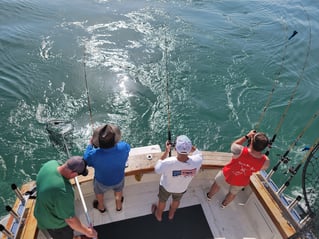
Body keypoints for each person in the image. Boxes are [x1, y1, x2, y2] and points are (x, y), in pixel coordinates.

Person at [34, 156, 98, 239]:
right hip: (54, 224)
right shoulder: (63, 192)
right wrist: (88, 232)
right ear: (74, 173)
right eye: (78, 174)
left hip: (40, 211)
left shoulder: (50, 164)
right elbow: (70, 220)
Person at [206, 130, 270, 208]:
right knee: (233, 193)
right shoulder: (265, 162)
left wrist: (247, 136)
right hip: (242, 180)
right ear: (264, 147)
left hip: (228, 173)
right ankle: (224, 205)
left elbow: (234, 144)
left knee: (217, 184)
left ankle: (209, 196)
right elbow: (263, 164)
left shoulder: (240, 150)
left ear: (252, 140)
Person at [152, 135, 203, 222]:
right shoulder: (198, 160)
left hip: (166, 187)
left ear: (175, 149)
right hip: (181, 189)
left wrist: (166, 152)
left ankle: (159, 215)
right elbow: (198, 153)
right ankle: (171, 214)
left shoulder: (167, 162)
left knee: (162, 201)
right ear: (190, 149)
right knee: (176, 200)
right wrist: (189, 146)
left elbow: (157, 169)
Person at [83, 124, 130, 213]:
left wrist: (90, 145)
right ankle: (118, 206)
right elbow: (126, 149)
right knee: (118, 191)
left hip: (101, 182)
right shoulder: (124, 147)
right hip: (118, 179)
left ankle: (101, 207)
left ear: (97, 142)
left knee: (99, 192)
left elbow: (86, 159)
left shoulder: (94, 155)